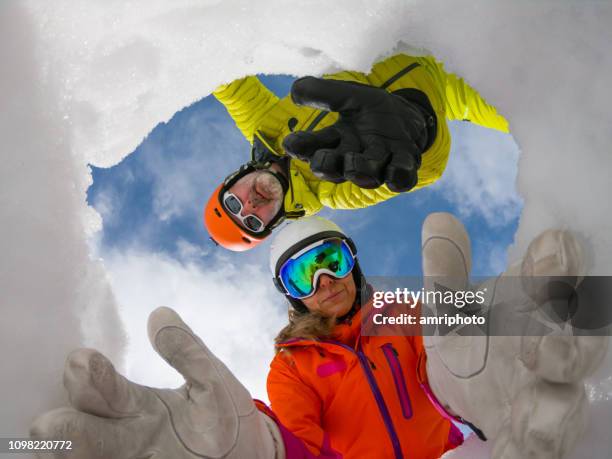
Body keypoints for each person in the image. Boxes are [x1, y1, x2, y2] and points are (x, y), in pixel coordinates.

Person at [30, 215, 606, 458]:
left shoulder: (408, 311)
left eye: (330, 259)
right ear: (293, 296)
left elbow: (461, 327)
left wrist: (499, 319)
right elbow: (296, 441)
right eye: (303, 274)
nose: (324, 281)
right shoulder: (294, 366)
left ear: (352, 263)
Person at [204, 52, 510, 251]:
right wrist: (418, 129)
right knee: (538, 107)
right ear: (273, 222)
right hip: (450, 84)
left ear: (233, 179)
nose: (251, 205)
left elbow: (220, 71)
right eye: (254, 222)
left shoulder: (265, 129)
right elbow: (422, 171)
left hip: (387, 36)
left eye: (233, 203)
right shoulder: (335, 190)